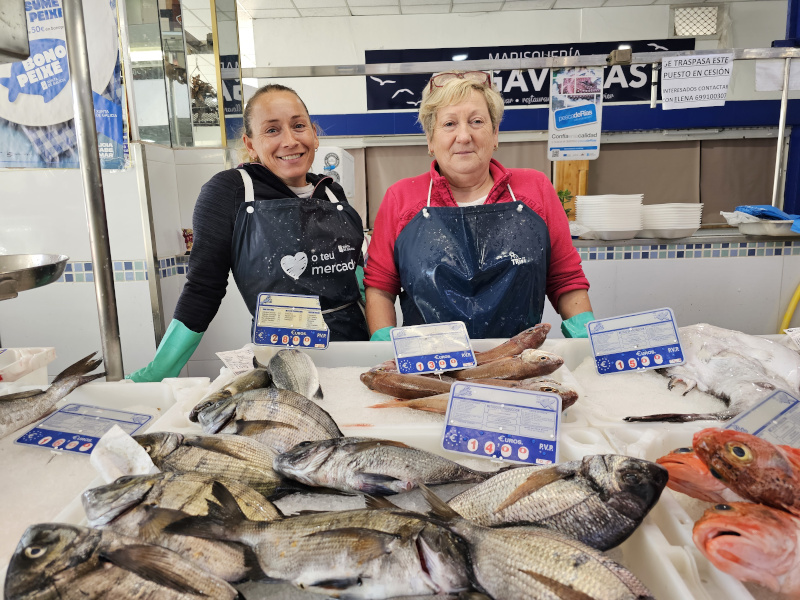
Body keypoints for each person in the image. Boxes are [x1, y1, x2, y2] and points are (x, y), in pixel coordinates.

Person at [129, 84, 368, 382]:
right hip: (282, 359)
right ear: (250, 143)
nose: (290, 140)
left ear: (315, 134)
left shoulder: (332, 192)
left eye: (298, 126)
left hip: (354, 352)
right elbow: (203, 288)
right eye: (271, 130)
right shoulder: (230, 191)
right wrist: (160, 370)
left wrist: (379, 342)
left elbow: (356, 274)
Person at [364, 71, 593, 341]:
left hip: (517, 364)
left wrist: (584, 337)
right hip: (430, 367)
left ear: (495, 134)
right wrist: (383, 344)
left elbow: (566, 280)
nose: (464, 136)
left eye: (477, 121)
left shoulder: (536, 188)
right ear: (430, 139)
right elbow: (380, 288)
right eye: (449, 124)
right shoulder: (400, 198)